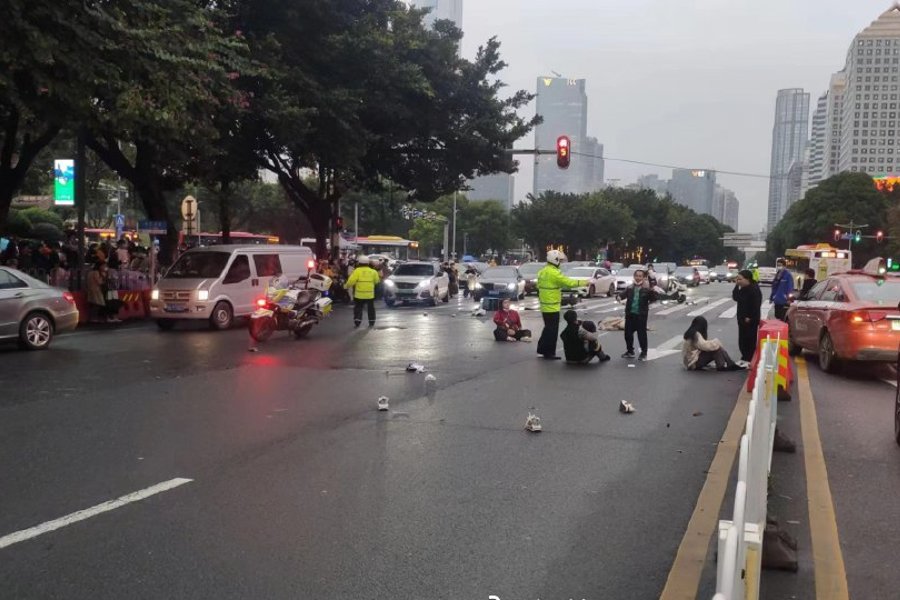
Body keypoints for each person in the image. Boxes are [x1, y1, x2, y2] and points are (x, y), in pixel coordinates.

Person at [536, 250, 589, 360]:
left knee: (547, 328)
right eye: (559, 260)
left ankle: (541, 349)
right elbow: (569, 283)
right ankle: (549, 353)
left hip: (544, 304)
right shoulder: (555, 273)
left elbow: (538, 286)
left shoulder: (543, 271)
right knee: (552, 330)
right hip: (552, 305)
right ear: (554, 260)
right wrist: (585, 282)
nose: (560, 262)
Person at [621, 269, 657, 360]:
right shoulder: (630, 288)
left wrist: (651, 289)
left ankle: (643, 353)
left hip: (641, 315)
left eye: (640, 276)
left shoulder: (647, 289)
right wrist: (618, 297)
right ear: (634, 276)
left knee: (642, 335)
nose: (638, 278)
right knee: (627, 334)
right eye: (636, 275)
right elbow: (622, 295)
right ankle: (630, 351)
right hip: (630, 314)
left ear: (643, 277)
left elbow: (654, 299)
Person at [733, 269, 762, 364]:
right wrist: (736, 286)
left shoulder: (754, 289)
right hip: (742, 319)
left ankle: (749, 358)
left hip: (750, 320)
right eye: (737, 279)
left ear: (747, 279)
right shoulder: (743, 288)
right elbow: (736, 297)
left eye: (740, 279)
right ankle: (745, 357)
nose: (738, 281)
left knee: (749, 340)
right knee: (742, 340)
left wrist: (750, 317)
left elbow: (756, 305)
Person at [345, 255, 381, 327]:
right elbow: (377, 281)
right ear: (368, 263)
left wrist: (345, 286)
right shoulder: (373, 272)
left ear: (359, 263)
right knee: (371, 308)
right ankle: (371, 322)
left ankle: (357, 321)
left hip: (359, 294)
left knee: (358, 307)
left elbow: (351, 281)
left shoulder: (357, 271)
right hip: (370, 295)